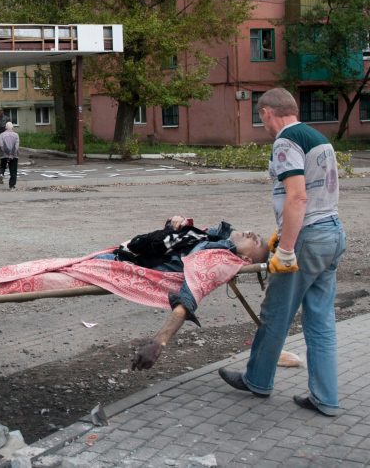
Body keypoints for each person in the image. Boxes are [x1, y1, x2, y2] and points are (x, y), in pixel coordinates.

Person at [217, 87, 345, 417]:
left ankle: (257, 380)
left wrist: (286, 249)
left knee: (275, 314)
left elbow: (298, 197)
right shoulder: (319, 137)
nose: (264, 124)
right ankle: (326, 398)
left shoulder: (286, 141)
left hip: (307, 239)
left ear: (267, 113)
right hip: (331, 232)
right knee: (320, 320)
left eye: (261, 118)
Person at [111, 216, 269, 370]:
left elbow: (188, 300)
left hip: (123, 262)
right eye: (255, 234)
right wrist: (177, 223)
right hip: (132, 251)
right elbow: (180, 238)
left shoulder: (219, 260)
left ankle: (268, 351)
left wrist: (158, 343)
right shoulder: (217, 238)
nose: (251, 233)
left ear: (246, 259)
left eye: (256, 240)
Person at [0, 121, 19, 189]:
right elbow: (16, 147)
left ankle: (1, 174)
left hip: (4, 155)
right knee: (13, 170)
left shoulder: (2, 135)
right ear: (12, 127)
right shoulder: (16, 135)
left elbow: (1, 145)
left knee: (3, 166)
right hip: (14, 156)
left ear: (5, 127)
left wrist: (7, 153)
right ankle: (12, 185)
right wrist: (11, 154)